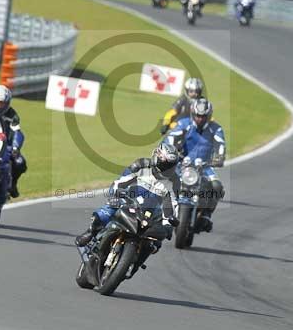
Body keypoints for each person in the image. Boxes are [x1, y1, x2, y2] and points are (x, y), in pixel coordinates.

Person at [74, 142, 181, 246]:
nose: (167, 169)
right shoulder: (141, 165)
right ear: (157, 159)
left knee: (156, 243)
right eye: (165, 165)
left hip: (151, 212)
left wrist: (168, 225)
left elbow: (172, 204)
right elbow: (120, 182)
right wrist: (115, 195)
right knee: (106, 212)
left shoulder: (174, 181)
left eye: (171, 166)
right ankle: (90, 232)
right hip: (128, 201)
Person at [166, 98, 226, 233]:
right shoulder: (183, 124)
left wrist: (220, 157)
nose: (200, 119)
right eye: (198, 116)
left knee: (217, 186)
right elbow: (170, 139)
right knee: (162, 179)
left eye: (203, 116)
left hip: (205, 167)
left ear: (208, 116)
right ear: (193, 113)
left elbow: (220, 145)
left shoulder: (215, 128)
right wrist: (168, 151)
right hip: (182, 163)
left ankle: (206, 215)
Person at [0, 84, 27, 200]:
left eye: (2, 103)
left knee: (20, 162)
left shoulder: (12, 115)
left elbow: (17, 131)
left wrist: (16, 148)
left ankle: (12, 184)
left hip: (3, 145)